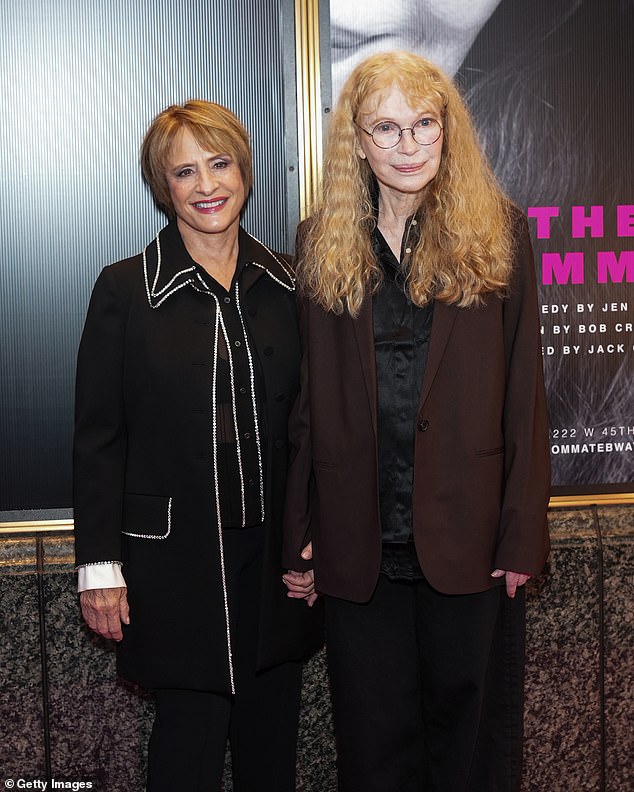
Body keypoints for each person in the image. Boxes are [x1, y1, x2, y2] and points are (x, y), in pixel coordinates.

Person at [282, 51, 551, 792]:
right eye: (387, 128)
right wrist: (300, 529)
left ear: (447, 130)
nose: (409, 145)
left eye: (424, 123)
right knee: (371, 748)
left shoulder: (503, 233)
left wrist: (522, 530)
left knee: (470, 745)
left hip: (470, 541)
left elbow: (525, 394)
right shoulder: (318, 244)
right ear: (358, 143)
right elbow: (309, 404)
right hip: (357, 541)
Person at [73, 100, 322, 792]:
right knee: (187, 743)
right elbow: (99, 435)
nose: (207, 184)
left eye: (219, 163)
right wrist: (98, 565)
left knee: (273, 742)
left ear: (243, 171)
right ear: (164, 187)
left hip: (276, 558)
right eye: (185, 171)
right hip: (174, 560)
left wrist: (315, 539)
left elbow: (314, 426)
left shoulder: (289, 282)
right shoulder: (126, 289)